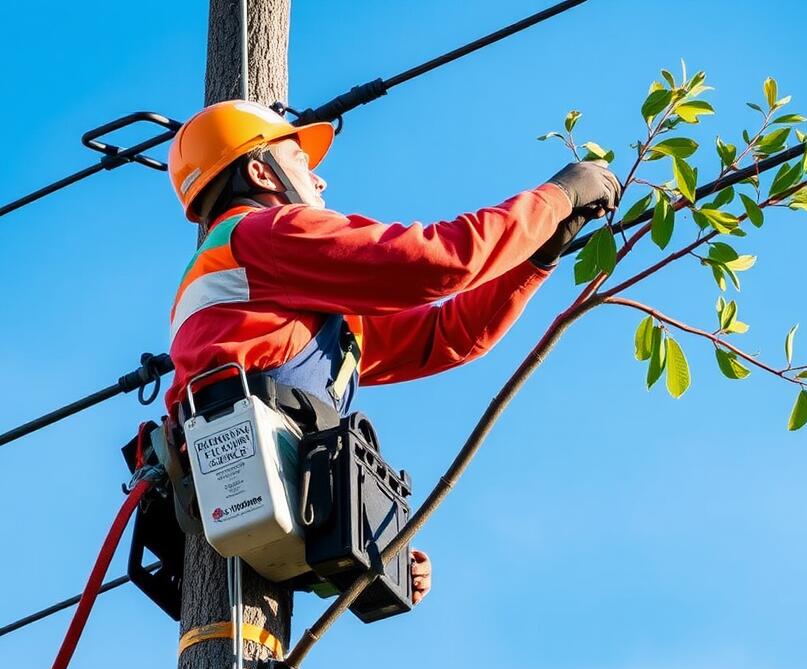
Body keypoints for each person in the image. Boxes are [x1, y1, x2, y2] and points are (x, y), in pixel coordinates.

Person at [164, 100, 621, 606]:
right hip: (243, 470)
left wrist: (536, 256)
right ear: (259, 171)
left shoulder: (282, 301)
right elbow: (435, 262)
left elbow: (444, 336)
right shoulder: (271, 231)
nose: (320, 183)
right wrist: (554, 198)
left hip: (254, 479)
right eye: (302, 164)